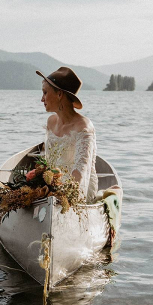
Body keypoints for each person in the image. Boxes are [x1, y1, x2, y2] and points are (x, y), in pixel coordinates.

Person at [36, 67, 98, 203]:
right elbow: (48, 160)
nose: (42, 99)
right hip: (52, 186)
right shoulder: (51, 122)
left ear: (59, 94)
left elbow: (81, 172)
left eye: (45, 93)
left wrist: (64, 196)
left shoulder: (83, 128)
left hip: (77, 188)